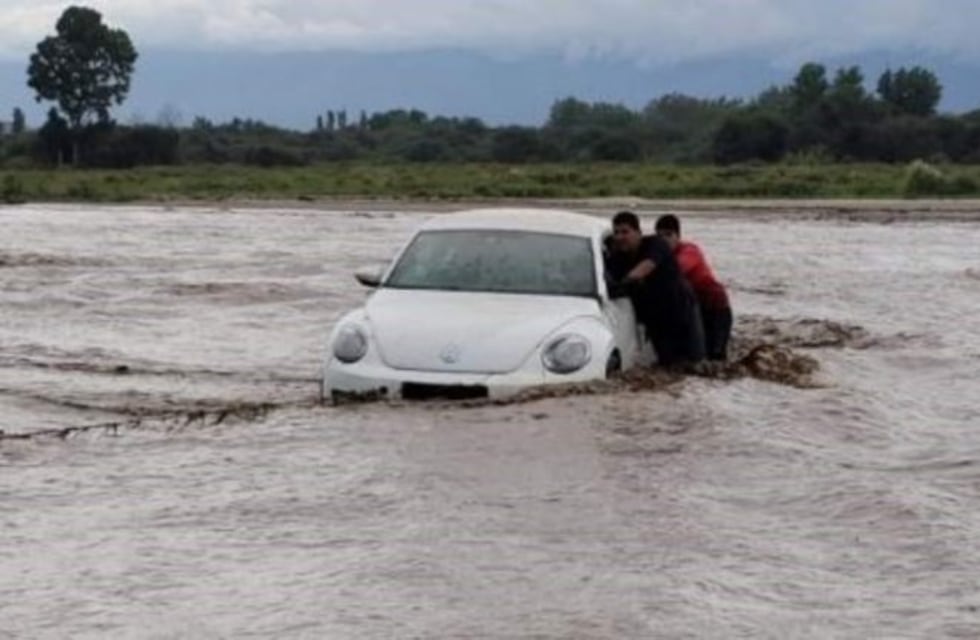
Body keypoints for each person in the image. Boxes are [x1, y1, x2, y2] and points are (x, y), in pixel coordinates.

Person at [605, 211, 705, 367]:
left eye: (625, 232)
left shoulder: (656, 244)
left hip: (682, 312)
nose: (619, 237)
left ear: (638, 233)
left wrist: (622, 284)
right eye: (616, 233)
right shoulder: (618, 258)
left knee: (695, 364)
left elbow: (646, 267)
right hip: (655, 318)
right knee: (667, 365)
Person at [654, 214, 733, 361]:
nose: (664, 240)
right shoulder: (660, 257)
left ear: (678, 236)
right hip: (693, 309)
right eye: (659, 236)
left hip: (716, 309)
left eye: (668, 235)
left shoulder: (689, 251)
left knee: (716, 357)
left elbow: (676, 270)